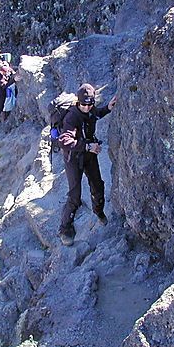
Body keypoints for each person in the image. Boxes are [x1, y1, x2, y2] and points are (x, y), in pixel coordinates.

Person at [58, 83, 117, 246]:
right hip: (74, 158)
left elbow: (96, 114)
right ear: (78, 102)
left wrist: (108, 108)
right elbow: (64, 141)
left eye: (89, 104)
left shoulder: (91, 110)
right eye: (83, 104)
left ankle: (98, 212)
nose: (86, 107)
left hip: (89, 155)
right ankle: (65, 229)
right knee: (74, 196)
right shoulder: (71, 116)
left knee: (98, 186)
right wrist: (87, 146)